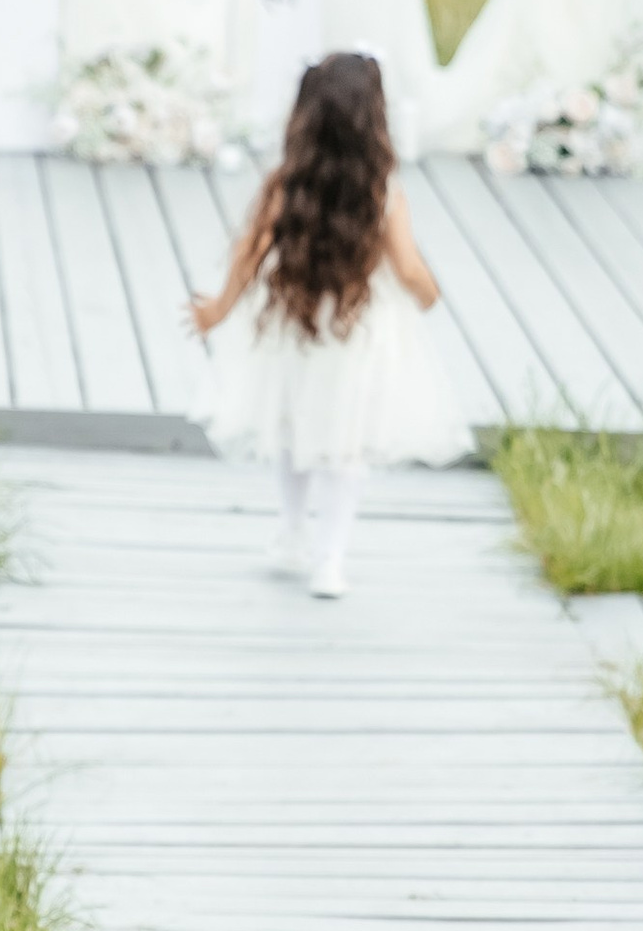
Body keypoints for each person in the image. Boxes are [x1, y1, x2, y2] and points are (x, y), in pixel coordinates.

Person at [188, 49, 470, 595]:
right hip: (356, 330)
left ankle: (292, 530)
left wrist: (218, 309)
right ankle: (330, 559)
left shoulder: (285, 183)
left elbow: (250, 248)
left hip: (294, 322)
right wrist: (429, 294)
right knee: (345, 445)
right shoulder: (381, 190)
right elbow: (408, 268)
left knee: (293, 427)